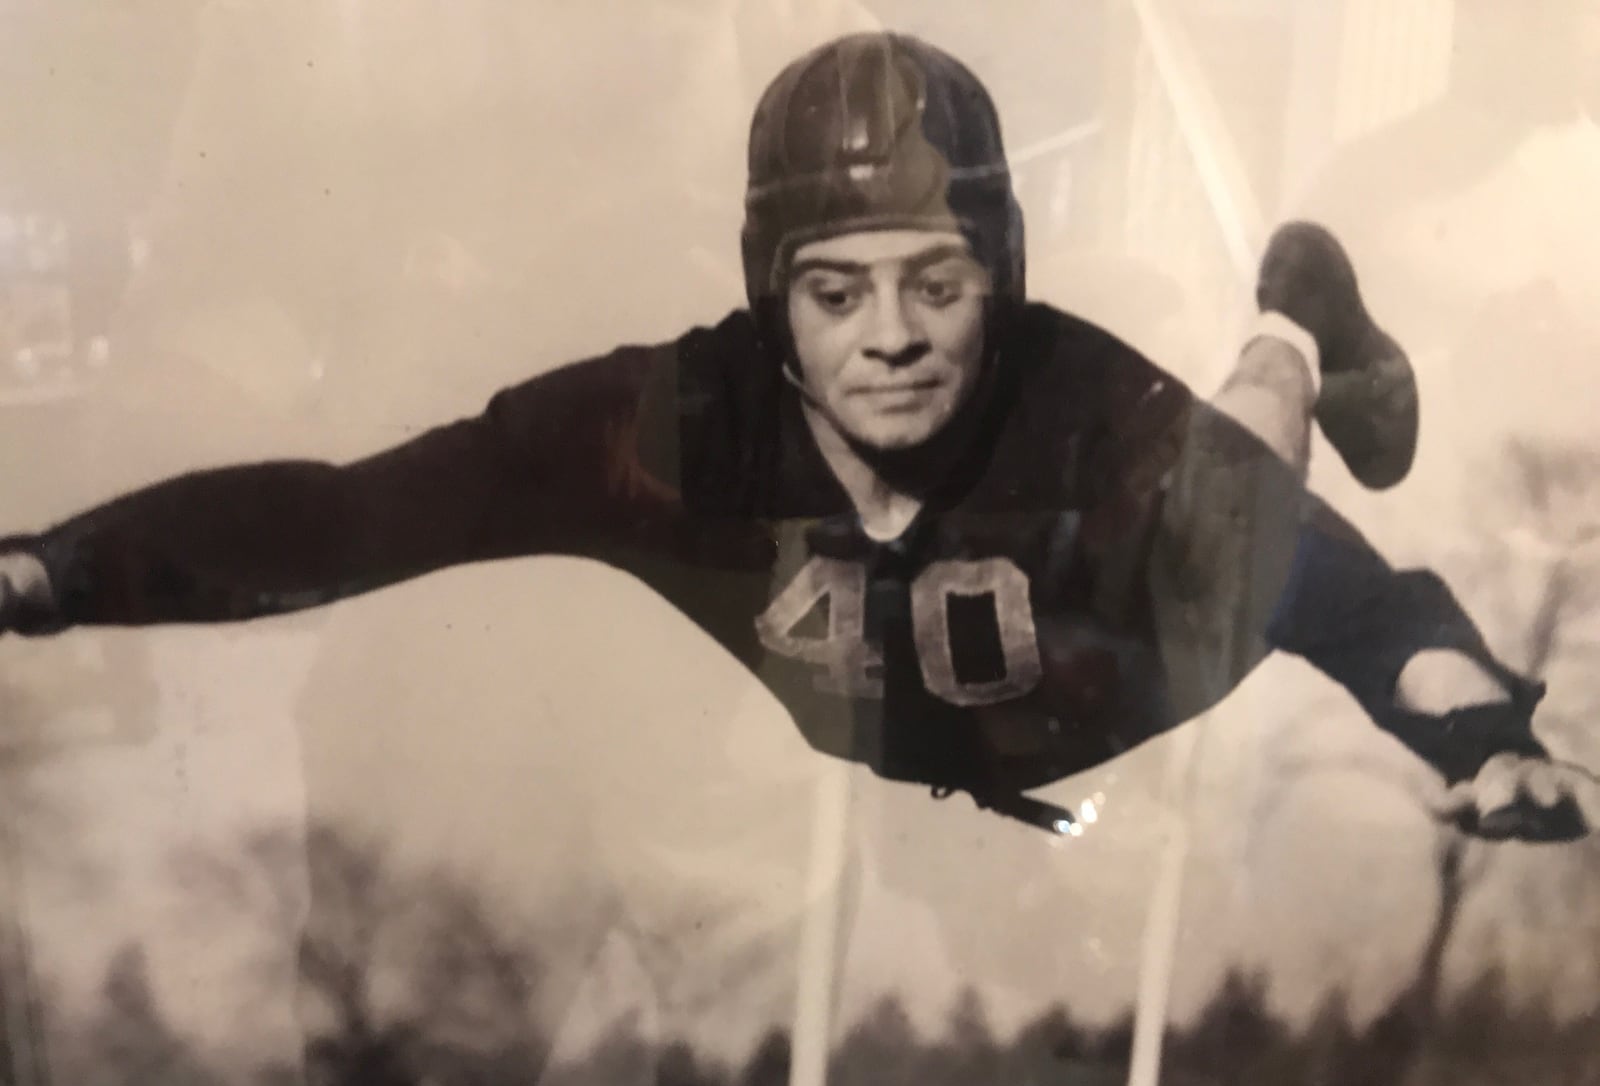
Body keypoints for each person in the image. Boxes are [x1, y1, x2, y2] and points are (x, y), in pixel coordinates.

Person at [0, 32, 1593, 840]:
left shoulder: (1087, 415)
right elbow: (345, 520)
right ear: (774, 301)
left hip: (1120, 681)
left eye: (938, 286)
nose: (891, 338)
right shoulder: (673, 425)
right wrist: (54, 573)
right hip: (901, 742)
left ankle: (1298, 314)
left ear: (1002, 287)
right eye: (837, 293)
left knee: (1238, 489)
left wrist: (1484, 744)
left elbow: (1364, 612)